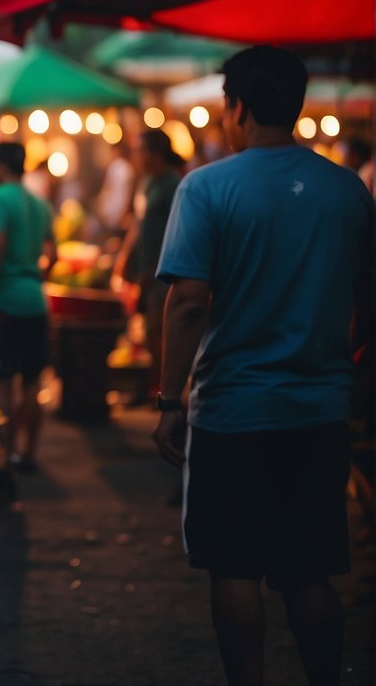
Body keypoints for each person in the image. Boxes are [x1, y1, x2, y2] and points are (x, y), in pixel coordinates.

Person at [153, 46, 374, 686]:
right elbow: (369, 299)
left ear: (238, 107)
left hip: (233, 412)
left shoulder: (208, 186)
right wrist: (360, 379)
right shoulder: (346, 191)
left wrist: (170, 402)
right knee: (309, 572)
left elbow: (189, 301)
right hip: (320, 410)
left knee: (236, 569)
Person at [0, 142, 55, 473]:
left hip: (5, 303)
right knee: (32, 383)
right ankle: (28, 452)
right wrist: (32, 277)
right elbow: (54, 252)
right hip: (35, 301)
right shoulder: (40, 203)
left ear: (1, 166)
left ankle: (5, 454)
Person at [117, 130, 183, 401]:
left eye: (140, 151)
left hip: (164, 272)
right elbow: (138, 224)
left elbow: (177, 230)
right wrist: (124, 259)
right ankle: (149, 388)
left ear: (156, 153)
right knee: (147, 332)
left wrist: (155, 265)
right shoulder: (146, 183)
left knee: (160, 332)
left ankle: (164, 391)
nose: (136, 157)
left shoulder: (173, 184)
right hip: (145, 271)